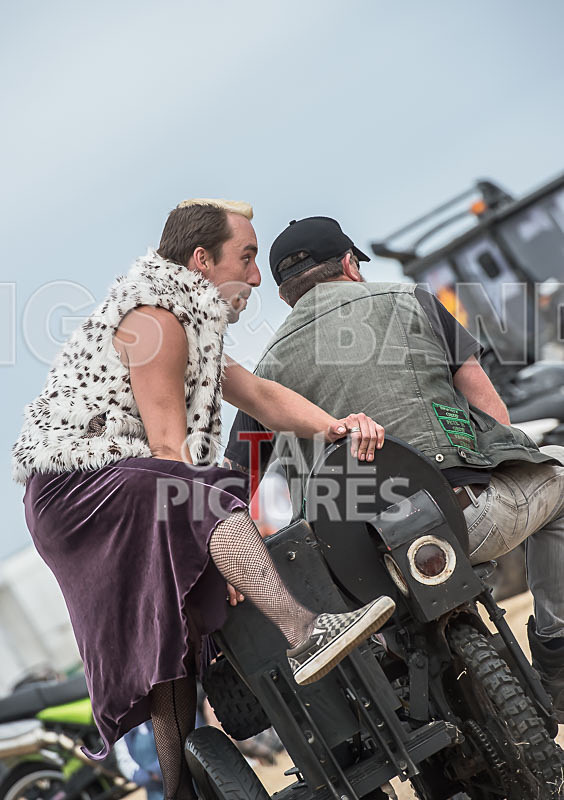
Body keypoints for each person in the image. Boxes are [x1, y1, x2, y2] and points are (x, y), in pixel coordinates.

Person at [12, 200, 396, 800]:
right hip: (76, 489)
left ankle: (177, 791)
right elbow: (171, 453)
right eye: (245, 258)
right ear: (201, 260)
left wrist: (338, 427)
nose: (254, 275)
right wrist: (213, 541)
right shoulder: (156, 320)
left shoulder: (188, 324)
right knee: (209, 490)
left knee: (174, 633)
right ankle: (308, 631)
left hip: (111, 484)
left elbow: (263, 397)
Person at [225, 215, 564, 723]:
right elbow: (490, 409)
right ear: (348, 265)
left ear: (285, 297)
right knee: (558, 486)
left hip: (364, 571)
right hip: (465, 517)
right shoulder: (414, 301)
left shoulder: (265, 371)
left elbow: (240, 479)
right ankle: (556, 654)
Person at [114, 721, 163, 800]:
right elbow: (124, 762)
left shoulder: (158, 715)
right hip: (155, 791)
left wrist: (161, 768)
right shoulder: (121, 732)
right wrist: (149, 774)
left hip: (180, 777)